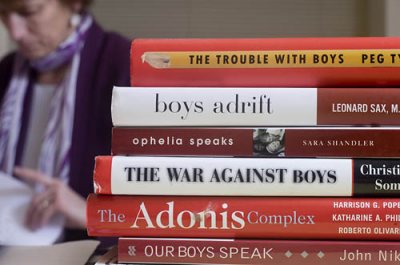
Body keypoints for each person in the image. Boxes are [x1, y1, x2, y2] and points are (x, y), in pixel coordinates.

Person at [0, 0, 130, 242]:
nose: (14, 31)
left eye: (28, 12)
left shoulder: (125, 65)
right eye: (3, 14)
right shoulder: (6, 72)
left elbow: (171, 210)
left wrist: (93, 215)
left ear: (74, 3)